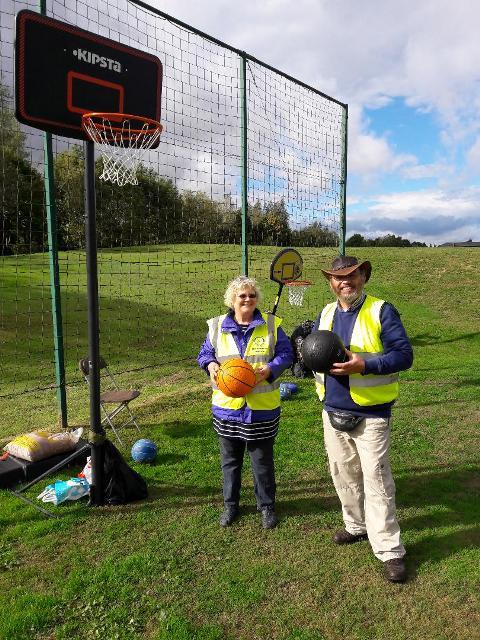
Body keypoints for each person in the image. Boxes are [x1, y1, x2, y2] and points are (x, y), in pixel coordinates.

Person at [314, 256, 413, 583]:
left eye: (352, 275)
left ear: (363, 277)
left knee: (376, 480)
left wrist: (365, 365)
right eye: (338, 277)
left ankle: (389, 549)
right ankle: (356, 526)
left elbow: (403, 355)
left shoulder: (382, 310)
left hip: (371, 414)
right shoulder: (326, 313)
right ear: (331, 282)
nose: (346, 282)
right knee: (343, 474)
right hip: (332, 410)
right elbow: (317, 351)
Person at [197, 275, 293, 529]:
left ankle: (267, 507)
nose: (247, 299)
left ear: (257, 298)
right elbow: (204, 353)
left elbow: (287, 353)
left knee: (262, 461)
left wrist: (270, 368)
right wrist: (211, 364)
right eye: (242, 295)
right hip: (227, 409)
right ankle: (231, 505)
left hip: (261, 409)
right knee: (230, 462)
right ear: (232, 300)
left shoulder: (271, 325)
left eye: (251, 295)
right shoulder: (216, 326)